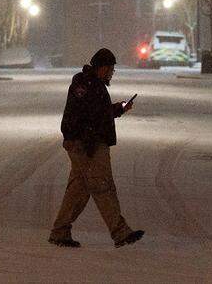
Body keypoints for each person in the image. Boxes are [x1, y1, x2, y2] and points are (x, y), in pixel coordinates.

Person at [48, 48, 145, 248]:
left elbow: (97, 113)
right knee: (102, 186)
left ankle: (60, 232)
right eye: (110, 69)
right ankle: (120, 232)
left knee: (79, 190)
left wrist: (119, 109)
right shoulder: (84, 84)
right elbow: (83, 115)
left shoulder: (96, 85)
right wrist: (75, 139)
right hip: (86, 146)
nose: (112, 73)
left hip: (89, 144)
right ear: (100, 67)